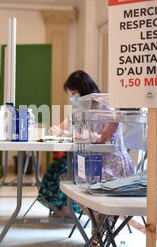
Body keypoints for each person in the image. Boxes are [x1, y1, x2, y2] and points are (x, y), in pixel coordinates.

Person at [40, 71, 135, 225]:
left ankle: (101, 223)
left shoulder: (107, 107)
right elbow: (63, 128)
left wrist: (66, 133)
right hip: (91, 161)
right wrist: (59, 130)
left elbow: (102, 139)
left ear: (83, 89)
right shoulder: (81, 109)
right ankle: (97, 223)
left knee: (79, 182)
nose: (72, 97)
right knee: (68, 180)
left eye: (73, 93)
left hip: (112, 164)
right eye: (70, 94)